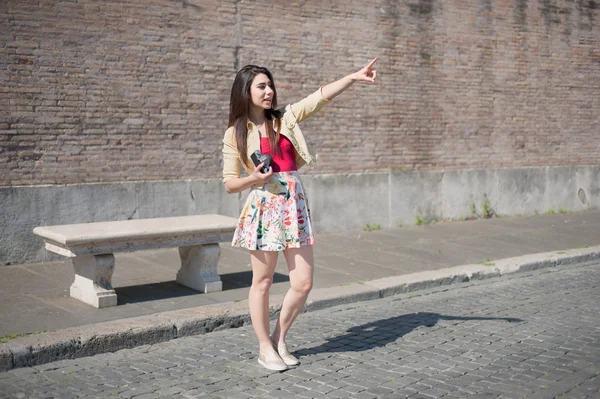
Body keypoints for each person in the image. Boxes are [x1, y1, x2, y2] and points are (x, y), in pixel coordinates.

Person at [222, 58, 378, 371]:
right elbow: (229, 183)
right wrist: (253, 178)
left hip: (294, 204)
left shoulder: (285, 118)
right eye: (261, 86)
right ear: (246, 92)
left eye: (270, 85)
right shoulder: (235, 133)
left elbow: (319, 97)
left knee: (303, 283)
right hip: (264, 206)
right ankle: (264, 347)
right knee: (262, 282)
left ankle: (279, 338)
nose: (269, 91)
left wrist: (351, 77)